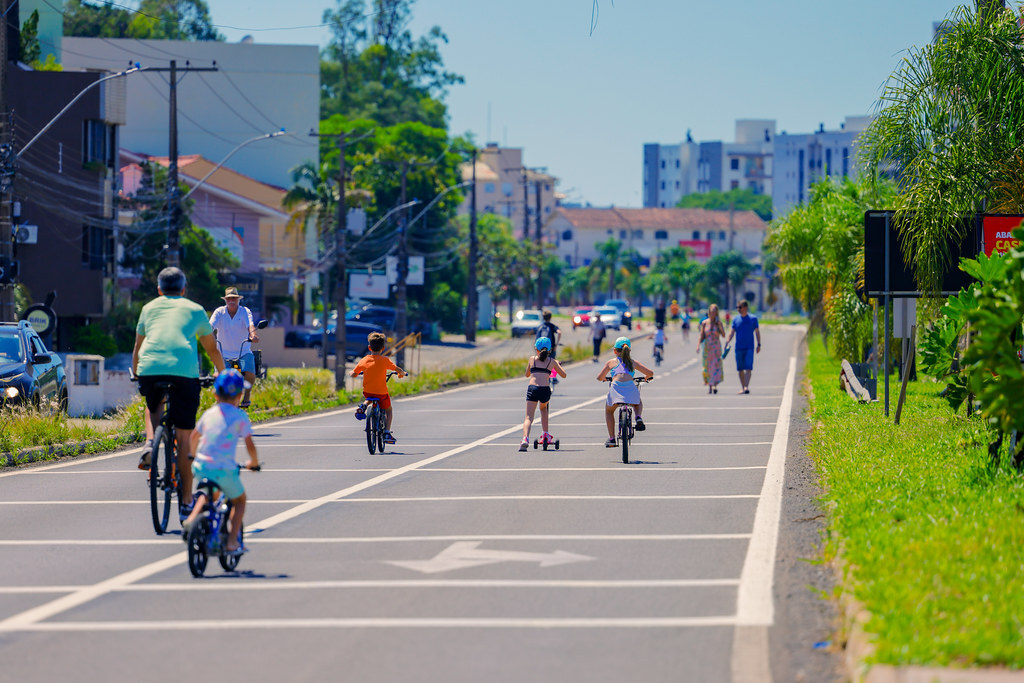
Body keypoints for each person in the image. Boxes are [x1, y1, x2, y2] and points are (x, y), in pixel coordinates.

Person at [133, 267, 225, 514]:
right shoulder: (195, 309)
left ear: (159, 289)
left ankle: (150, 443)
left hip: (149, 368)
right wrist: (222, 372)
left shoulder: (148, 308)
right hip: (184, 371)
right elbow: (212, 349)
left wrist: (136, 371)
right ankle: (185, 502)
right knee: (184, 437)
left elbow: (137, 346)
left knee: (153, 405)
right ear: (184, 290)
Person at [181, 369, 259, 554]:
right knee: (239, 501)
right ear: (240, 396)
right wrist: (253, 462)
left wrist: (192, 456)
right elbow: (249, 444)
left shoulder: (209, 414)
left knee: (206, 494)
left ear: (215, 394)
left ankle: (192, 518)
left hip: (201, 465)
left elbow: (194, 437)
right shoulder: (240, 416)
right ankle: (232, 542)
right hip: (224, 468)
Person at [597, 337, 654, 448]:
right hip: (630, 388)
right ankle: (638, 417)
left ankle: (612, 439)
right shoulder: (633, 363)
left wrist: (604, 379)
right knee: (637, 402)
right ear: (629, 350)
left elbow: (599, 377)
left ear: (615, 351)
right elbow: (650, 373)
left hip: (616, 389)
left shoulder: (611, 363)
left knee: (609, 411)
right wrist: (646, 377)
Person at [209, 287, 260, 408]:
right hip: (223, 352)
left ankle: (247, 395)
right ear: (225, 300)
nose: (231, 300)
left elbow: (250, 325)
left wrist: (253, 335)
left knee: (250, 371)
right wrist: (207, 336)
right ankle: (221, 400)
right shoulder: (219, 312)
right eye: (229, 298)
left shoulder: (244, 311)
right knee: (220, 377)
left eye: (234, 298)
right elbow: (210, 326)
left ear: (238, 300)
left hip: (243, 351)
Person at [352, 331, 406, 444]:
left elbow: (354, 373)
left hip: (367, 392)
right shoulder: (385, 360)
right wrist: (402, 373)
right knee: (389, 410)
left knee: (369, 397)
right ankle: (387, 432)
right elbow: (398, 369)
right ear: (383, 348)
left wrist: (352, 373)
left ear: (369, 347)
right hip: (381, 393)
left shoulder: (364, 360)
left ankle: (364, 406)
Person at [519, 338, 567, 451]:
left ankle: (525, 439)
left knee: (528, 417)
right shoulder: (552, 361)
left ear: (536, 349)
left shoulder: (532, 359)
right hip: (545, 389)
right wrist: (556, 365)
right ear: (549, 349)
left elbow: (527, 374)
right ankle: (545, 434)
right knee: (543, 409)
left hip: (533, 388)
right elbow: (564, 375)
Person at [725, 299, 761, 394]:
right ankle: (743, 387)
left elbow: (757, 331)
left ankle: (746, 387)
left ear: (745, 307)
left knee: (748, 367)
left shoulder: (753, 319)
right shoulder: (736, 319)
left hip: (749, 347)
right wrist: (728, 341)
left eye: (740, 307)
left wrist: (759, 344)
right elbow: (732, 332)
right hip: (739, 347)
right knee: (740, 369)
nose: (738, 309)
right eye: (737, 307)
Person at [697, 303, 725, 394]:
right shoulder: (705, 323)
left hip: (716, 348)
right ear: (709, 312)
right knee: (708, 366)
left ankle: (714, 385)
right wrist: (698, 345)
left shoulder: (719, 323)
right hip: (707, 347)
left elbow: (723, 335)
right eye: (712, 312)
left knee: (716, 366)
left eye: (715, 312)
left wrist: (719, 326)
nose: (713, 314)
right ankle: (710, 386)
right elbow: (702, 335)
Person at [535, 310, 562, 383]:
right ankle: (554, 377)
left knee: (542, 362)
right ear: (550, 317)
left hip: (541, 349)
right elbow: (559, 332)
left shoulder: (540, 327)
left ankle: (542, 378)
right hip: (551, 348)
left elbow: (537, 338)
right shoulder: (552, 326)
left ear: (543, 318)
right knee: (553, 361)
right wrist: (556, 344)